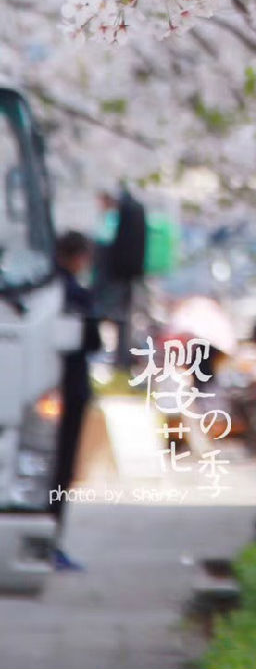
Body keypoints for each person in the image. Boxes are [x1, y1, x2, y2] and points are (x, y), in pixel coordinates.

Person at [49, 231, 102, 571]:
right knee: (61, 468)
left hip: (42, 389)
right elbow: (92, 341)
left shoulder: (41, 291)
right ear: (79, 257)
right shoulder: (75, 295)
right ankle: (51, 542)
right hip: (69, 390)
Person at [94, 186, 147, 371]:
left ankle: (119, 359)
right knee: (124, 318)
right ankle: (121, 358)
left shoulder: (116, 218)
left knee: (112, 315)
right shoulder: (133, 211)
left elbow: (103, 244)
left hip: (115, 275)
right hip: (128, 274)